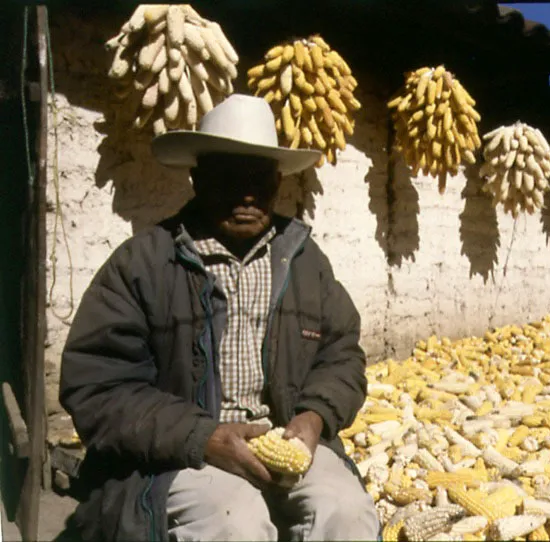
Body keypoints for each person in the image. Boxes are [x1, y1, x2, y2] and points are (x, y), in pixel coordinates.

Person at [59, 94, 380, 541]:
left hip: (283, 439)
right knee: (235, 521)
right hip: (183, 452)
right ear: (198, 178)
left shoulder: (304, 260)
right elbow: (97, 386)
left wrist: (314, 416)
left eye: (259, 179)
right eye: (229, 176)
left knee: (348, 514)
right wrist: (201, 435)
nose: (246, 194)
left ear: (277, 182)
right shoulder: (144, 263)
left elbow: (342, 353)